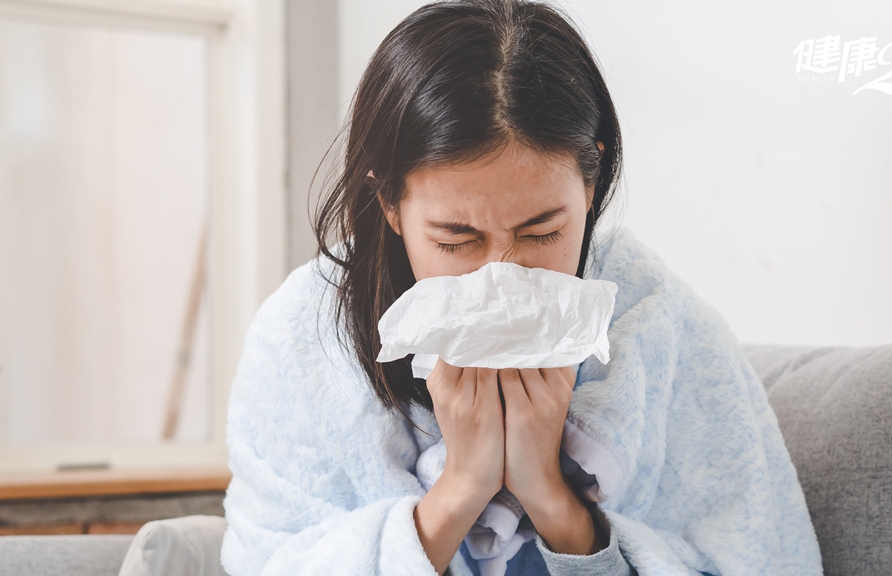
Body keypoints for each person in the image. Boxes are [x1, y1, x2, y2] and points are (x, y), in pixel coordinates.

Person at [220, 1, 823, 575]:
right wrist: (462, 487)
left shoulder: (658, 323)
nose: (502, 279)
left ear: (590, 184)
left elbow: (760, 556)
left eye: (542, 232)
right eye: (457, 240)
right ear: (390, 204)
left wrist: (550, 495)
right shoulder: (301, 339)